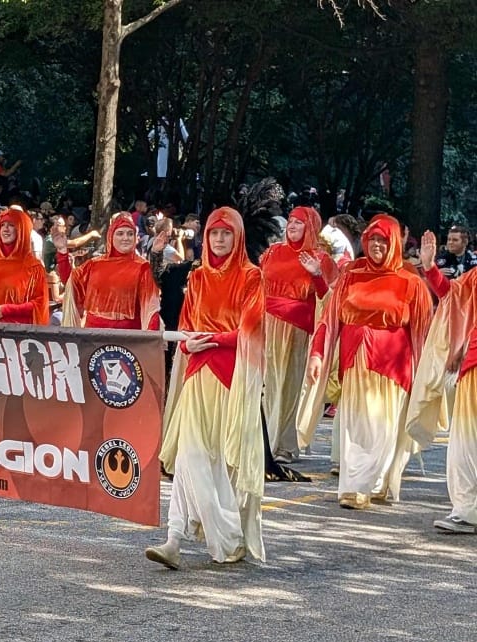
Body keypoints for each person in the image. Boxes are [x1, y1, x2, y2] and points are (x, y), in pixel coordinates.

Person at [145, 207, 265, 569]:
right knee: (189, 458)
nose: (219, 239)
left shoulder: (251, 276)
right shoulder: (196, 278)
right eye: (214, 233)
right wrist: (187, 344)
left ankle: (228, 537)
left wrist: (208, 339)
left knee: (220, 462)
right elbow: (186, 328)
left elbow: (251, 329)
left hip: (232, 379)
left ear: (238, 237)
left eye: (226, 233)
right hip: (198, 374)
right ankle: (173, 538)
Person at [298, 214, 433, 510]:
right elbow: (329, 319)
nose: (376, 245)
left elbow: (423, 333)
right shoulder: (351, 276)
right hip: (355, 360)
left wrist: (426, 378)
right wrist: (318, 354)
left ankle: (375, 483)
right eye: (371, 239)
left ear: (394, 243)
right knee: (354, 424)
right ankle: (355, 487)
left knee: (384, 426)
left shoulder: (411, 282)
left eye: (383, 240)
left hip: (393, 366)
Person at [407, 230, 477, 533]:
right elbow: (450, 295)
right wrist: (430, 266)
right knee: (466, 444)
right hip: (474, 365)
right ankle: (468, 511)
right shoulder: (474, 278)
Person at [259, 207, 338, 464]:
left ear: (311, 227)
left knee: (289, 386)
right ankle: (262, 440)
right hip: (266, 325)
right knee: (265, 385)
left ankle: (284, 445)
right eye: (290, 221)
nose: (291, 225)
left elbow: (329, 301)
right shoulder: (272, 252)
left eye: (299, 222)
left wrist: (316, 275)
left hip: (296, 329)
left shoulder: (321, 258)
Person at [56, 211, 161, 330]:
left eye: (130, 234)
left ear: (135, 237)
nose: (125, 238)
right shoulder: (94, 264)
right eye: (120, 234)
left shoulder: (143, 267)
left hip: (128, 340)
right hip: (93, 338)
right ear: (111, 236)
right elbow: (69, 283)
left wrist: (150, 342)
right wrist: (62, 252)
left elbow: (152, 310)